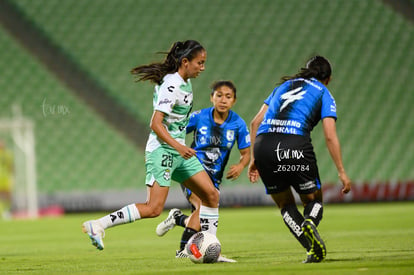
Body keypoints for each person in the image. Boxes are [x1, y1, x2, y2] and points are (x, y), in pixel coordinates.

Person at [82, 40, 221, 254]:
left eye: (204, 63)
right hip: (163, 151)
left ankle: (210, 248)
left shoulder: (185, 81)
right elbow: (155, 124)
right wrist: (179, 146)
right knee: (153, 208)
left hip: (179, 150)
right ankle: (98, 225)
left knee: (211, 195)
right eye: (199, 63)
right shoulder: (171, 85)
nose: (202, 67)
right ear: (185, 62)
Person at [247, 56, 352, 263]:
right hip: (294, 145)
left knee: (285, 205)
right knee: (313, 201)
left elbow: (255, 123)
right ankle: (310, 221)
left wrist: (254, 158)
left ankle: (312, 249)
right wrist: (341, 171)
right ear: (328, 79)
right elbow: (330, 135)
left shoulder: (283, 86)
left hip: (263, 146)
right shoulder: (324, 93)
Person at [155, 81, 251, 260]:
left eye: (228, 97)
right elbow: (177, 131)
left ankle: (178, 219)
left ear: (234, 101)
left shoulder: (238, 124)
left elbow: (246, 152)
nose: (223, 100)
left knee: (202, 217)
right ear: (211, 98)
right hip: (192, 170)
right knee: (201, 208)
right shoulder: (199, 116)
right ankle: (183, 251)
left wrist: (240, 165)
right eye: (219, 95)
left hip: (214, 178)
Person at [0, 140, 13, 219]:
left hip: (6, 177)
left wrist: (13, 176)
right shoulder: (8, 154)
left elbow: (11, 166)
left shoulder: (8, 154)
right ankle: (3, 212)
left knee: (7, 195)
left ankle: (6, 211)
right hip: (4, 177)